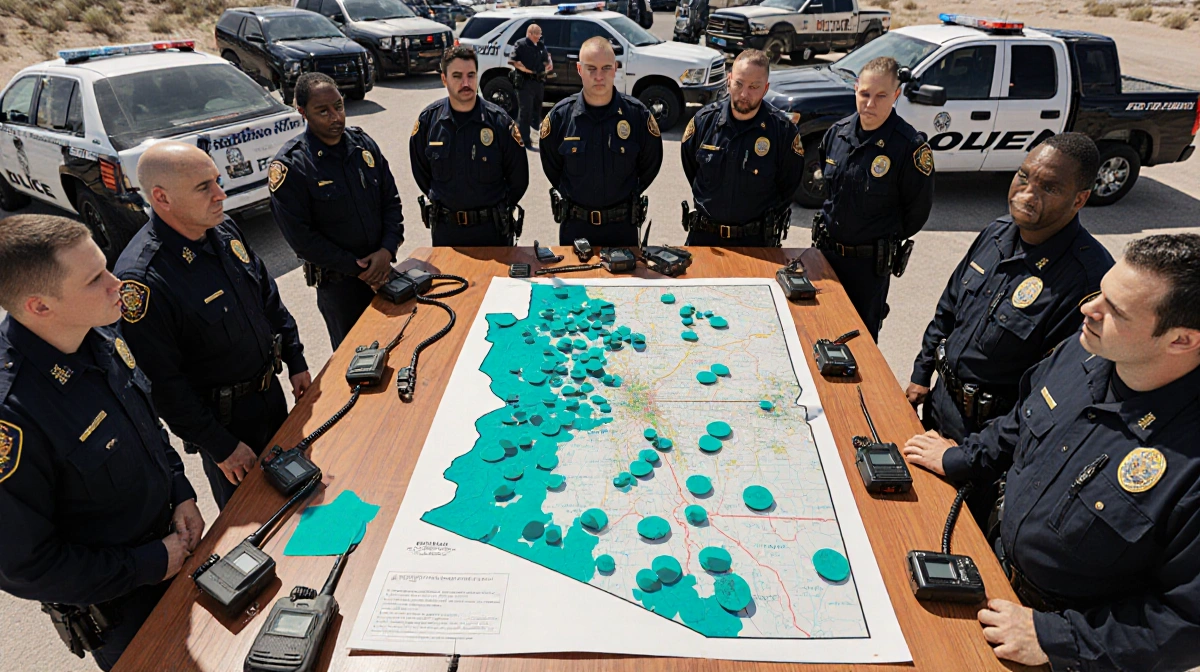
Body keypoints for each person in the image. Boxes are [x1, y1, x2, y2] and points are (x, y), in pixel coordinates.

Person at [903, 234, 1200, 672]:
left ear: (1181, 340)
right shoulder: (1084, 353)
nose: (1088, 308)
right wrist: (959, 458)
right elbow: (1019, 423)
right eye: (1100, 292)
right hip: (987, 566)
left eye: (1116, 311)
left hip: (1059, 646)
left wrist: (1056, 640)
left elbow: (1187, 624)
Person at [0, 214, 203, 671]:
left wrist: (180, 491)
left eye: (105, 266)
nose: (117, 283)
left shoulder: (100, 331)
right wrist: (149, 563)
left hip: (176, 549)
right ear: (39, 306)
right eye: (95, 279)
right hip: (121, 607)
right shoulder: (12, 416)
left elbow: (144, 424)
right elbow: (27, 566)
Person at [114, 142, 310, 510]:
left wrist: (295, 358)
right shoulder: (143, 280)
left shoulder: (222, 228)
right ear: (162, 198)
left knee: (302, 497)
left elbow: (266, 296)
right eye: (204, 187)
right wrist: (221, 446)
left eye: (217, 181)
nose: (221, 194)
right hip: (227, 429)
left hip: (271, 396)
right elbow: (163, 385)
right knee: (256, 521)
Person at [907, 133, 1114, 444]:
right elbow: (948, 310)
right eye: (1024, 176)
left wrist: (964, 458)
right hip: (939, 407)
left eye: (1049, 188)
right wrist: (921, 374)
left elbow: (1049, 398)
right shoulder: (997, 233)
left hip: (988, 442)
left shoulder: (1088, 281)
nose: (1027, 194)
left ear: (1079, 199)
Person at [269, 72, 404, 350]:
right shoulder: (292, 167)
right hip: (341, 290)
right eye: (323, 111)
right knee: (355, 360)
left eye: (339, 106)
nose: (336, 117)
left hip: (384, 271)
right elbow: (303, 240)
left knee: (400, 348)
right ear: (303, 112)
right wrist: (362, 269)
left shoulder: (363, 146)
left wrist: (387, 250)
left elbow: (391, 201)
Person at [813, 56, 935, 340]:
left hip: (868, 270)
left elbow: (916, 212)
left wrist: (879, 239)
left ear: (896, 95)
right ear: (856, 88)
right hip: (826, 258)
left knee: (860, 343)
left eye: (881, 96)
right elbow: (829, 192)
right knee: (818, 331)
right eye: (865, 94)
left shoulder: (908, 147)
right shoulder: (836, 134)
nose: (870, 104)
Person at [541, 36, 663, 246]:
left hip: (622, 228)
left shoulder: (636, 116)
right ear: (579, 69)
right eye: (591, 68)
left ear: (615, 68)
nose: (599, 76)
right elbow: (552, 167)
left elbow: (650, 165)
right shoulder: (560, 117)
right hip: (575, 228)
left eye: (606, 68)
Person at [681, 49, 803, 247]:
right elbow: (691, 169)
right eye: (739, 83)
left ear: (765, 88)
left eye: (754, 87)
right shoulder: (704, 122)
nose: (744, 94)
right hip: (704, 238)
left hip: (756, 242)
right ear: (729, 80)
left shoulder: (782, 132)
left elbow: (788, 185)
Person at [411, 46, 529, 246]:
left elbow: (519, 179)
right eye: (457, 76)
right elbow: (421, 173)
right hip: (446, 232)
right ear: (444, 79)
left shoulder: (499, 122)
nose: (466, 83)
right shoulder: (429, 122)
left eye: (471, 75)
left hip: (492, 232)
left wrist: (495, 210)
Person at [510, 23, 552, 151]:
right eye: (537, 34)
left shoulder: (540, 45)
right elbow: (513, 61)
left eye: (540, 34)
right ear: (530, 33)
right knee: (525, 112)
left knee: (537, 110)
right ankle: (524, 139)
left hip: (538, 83)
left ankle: (533, 134)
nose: (539, 36)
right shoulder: (521, 44)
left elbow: (546, 58)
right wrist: (527, 70)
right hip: (525, 82)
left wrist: (549, 63)